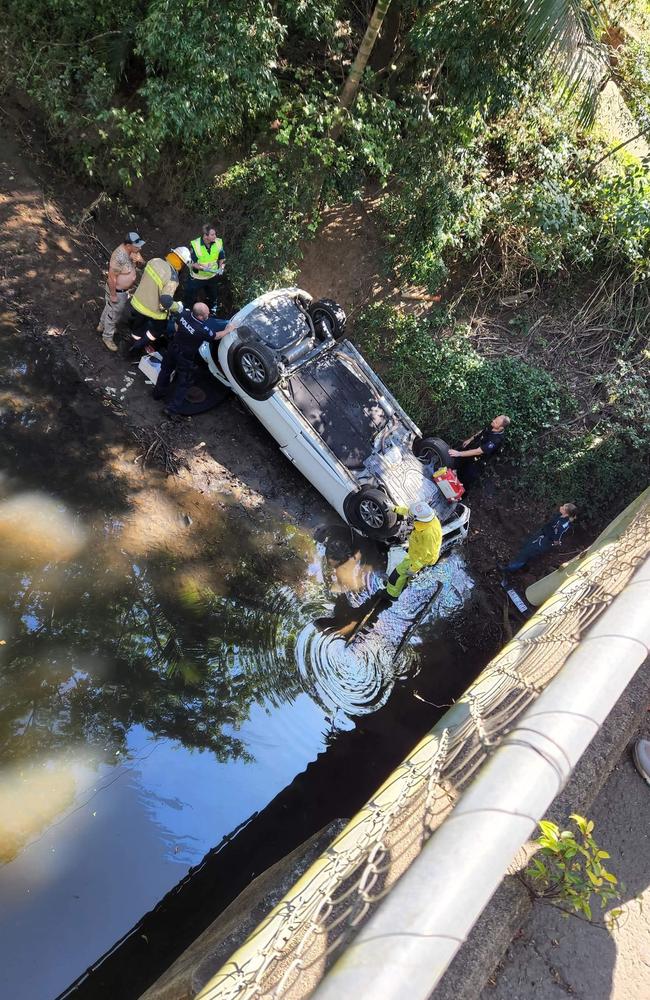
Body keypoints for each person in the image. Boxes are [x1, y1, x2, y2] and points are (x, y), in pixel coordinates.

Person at [153, 302, 235, 417]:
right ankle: (171, 409)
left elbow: (177, 326)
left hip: (173, 348)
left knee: (165, 371)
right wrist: (229, 330)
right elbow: (216, 336)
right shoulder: (202, 329)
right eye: (207, 314)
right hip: (185, 357)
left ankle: (157, 393)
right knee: (184, 383)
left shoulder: (184, 314)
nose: (209, 314)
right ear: (200, 316)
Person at [128, 246, 192, 352]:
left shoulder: (155, 261)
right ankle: (138, 347)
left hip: (137, 302)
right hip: (151, 310)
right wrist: (178, 307)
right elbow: (166, 301)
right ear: (181, 263)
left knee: (137, 328)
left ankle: (133, 341)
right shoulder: (173, 277)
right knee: (159, 328)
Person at [97, 232, 145, 352]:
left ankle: (102, 325)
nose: (140, 248)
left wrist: (139, 260)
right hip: (117, 291)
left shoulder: (133, 251)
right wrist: (113, 295)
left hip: (123, 291)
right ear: (128, 245)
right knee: (114, 314)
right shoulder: (119, 257)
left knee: (110, 308)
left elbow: (141, 262)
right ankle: (107, 337)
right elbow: (111, 278)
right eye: (137, 246)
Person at [385, 501, 442, 600]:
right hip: (416, 550)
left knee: (397, 574)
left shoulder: (429, 534)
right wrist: (394, 508)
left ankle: (391, 594)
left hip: (420, 557)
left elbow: (428, 556)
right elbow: (409, 512)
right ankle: (402, 585)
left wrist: (414, 568)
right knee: (406, 576)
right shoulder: (426, 519)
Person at [502, 503, 577, 575]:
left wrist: (555, 542)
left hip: (543, 541)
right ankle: (520, 564)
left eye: (563, 508)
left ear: (566, 514)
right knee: (527, 546)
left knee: (528, 552)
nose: (561, 507)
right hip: (541, 534)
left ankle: (509, 569)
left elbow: (557, 537)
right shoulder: (560, 515)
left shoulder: (563, 525)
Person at [448, 415, 511, 491]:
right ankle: (445, 483)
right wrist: (470, 439)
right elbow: (482, 431)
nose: (493, 421)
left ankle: (456, 498)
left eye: (496, 422)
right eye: (495, 419)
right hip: (471, 451)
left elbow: (478, 451)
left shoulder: (496, 440)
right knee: (455, 464)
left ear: (501, 428)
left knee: (464, 481)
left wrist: (459, 453)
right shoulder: (492, 425)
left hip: (477, 462)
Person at [186, 223, 226, 310]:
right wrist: (205, 269)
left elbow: (222, 258)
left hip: (212, 277)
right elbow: (192, 263)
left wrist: (221, 267)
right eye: (212, 235)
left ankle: (211, 312)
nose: (215, 236)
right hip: (197, 278)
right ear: (205, 236)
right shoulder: (195, 245)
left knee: (213, 297)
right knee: (189, 297)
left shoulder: (218, 242)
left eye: (215, 234)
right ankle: (187, 312)